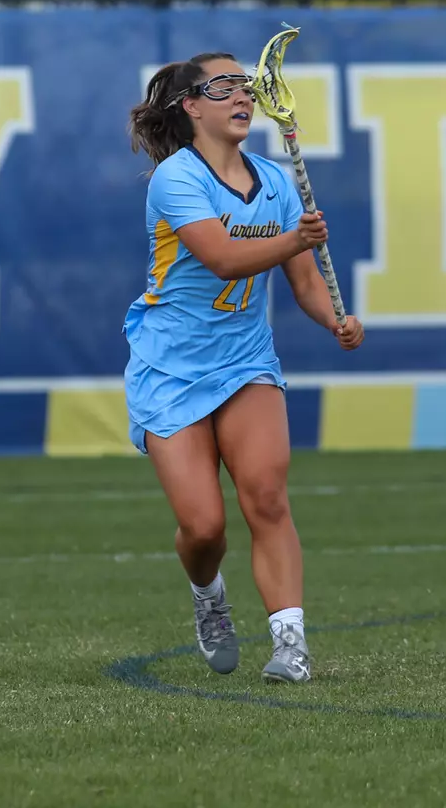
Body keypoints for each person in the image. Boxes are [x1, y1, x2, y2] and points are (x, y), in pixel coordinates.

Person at [124, 51, 365, 683]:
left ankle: (291, 646)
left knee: (266, 497)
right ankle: (208, 598)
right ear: (191, 106)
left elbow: (305, 282)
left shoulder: (275, 181)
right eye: (223, 85)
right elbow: (226, 259)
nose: (242, 95)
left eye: (246, 85)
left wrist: (334, 319)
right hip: (169, 369)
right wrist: (295, 238)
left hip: (245, 363)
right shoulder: (175, 179)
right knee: (203, 527)